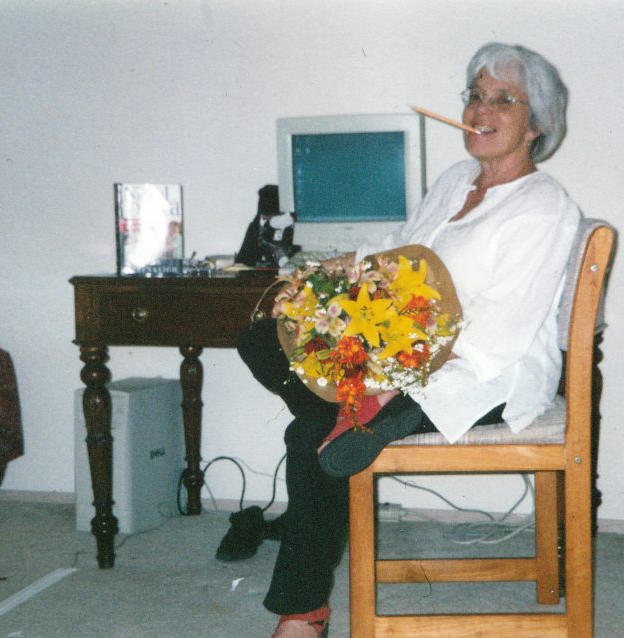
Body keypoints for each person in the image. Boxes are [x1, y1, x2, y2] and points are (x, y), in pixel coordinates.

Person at [237, 42, 582, 638]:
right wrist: (328, 276)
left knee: (309, 433)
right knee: (261, 340)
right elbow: (396, 251)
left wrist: (395, 363)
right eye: (475, 95)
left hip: (481, 370)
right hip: (401, 348)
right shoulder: (454, 181)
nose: (482, 109)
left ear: (538, 124)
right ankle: (363, 412)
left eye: (504, 99)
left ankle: (302, 614)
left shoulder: (545, 205)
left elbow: (502, 329)